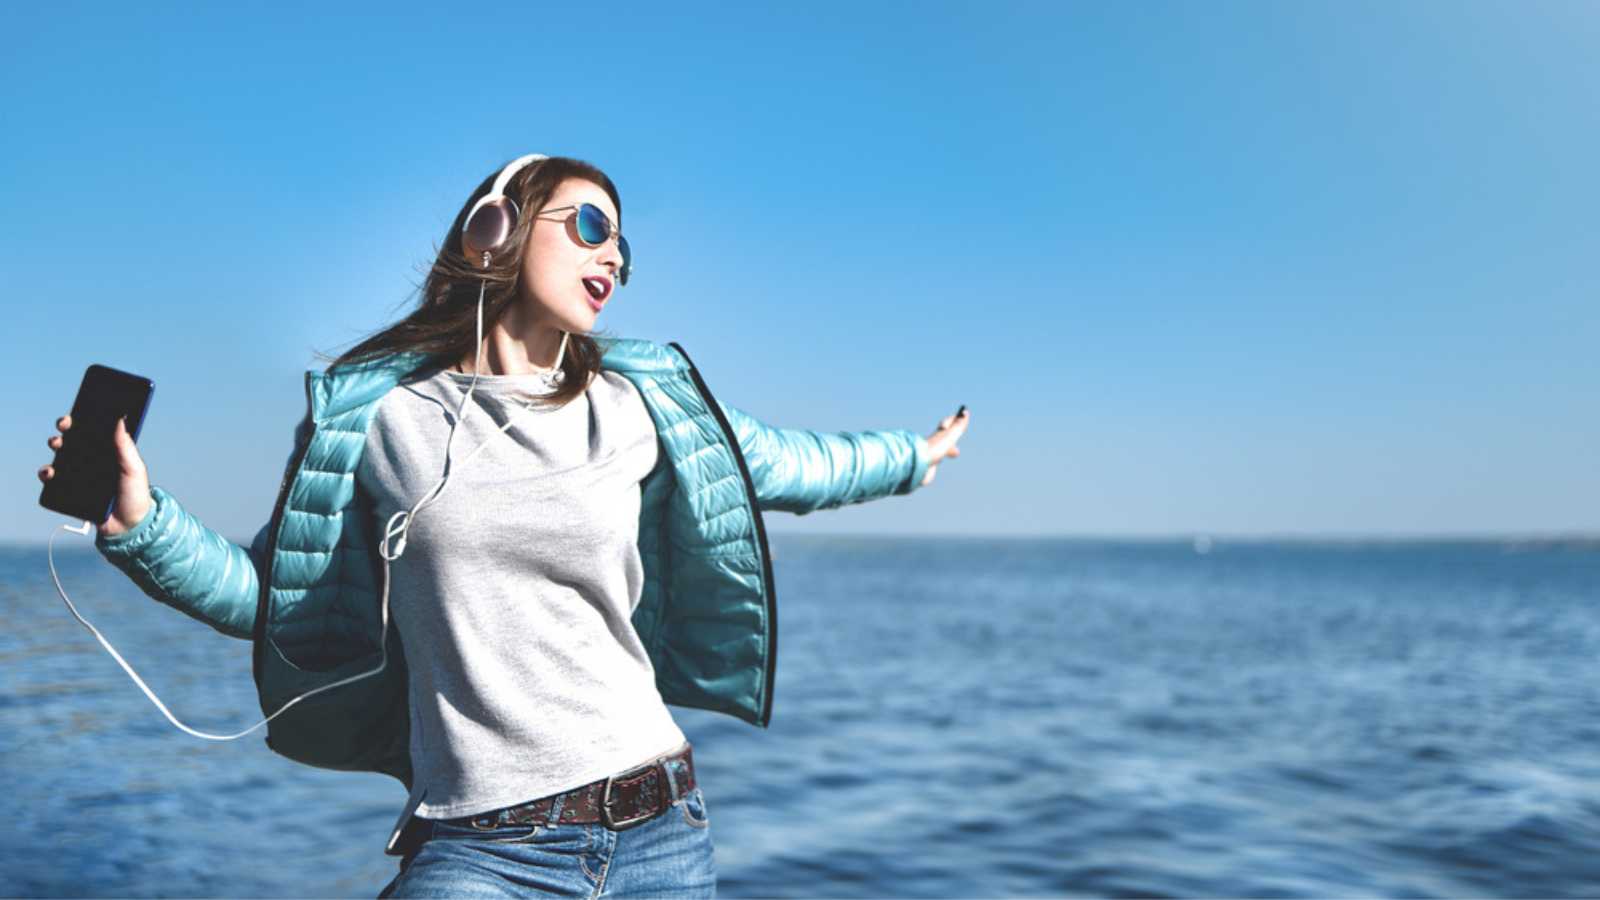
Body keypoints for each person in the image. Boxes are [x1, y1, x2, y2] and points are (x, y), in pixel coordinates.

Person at [36, 154, 971, 898]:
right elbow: (274, 598)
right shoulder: (381, 420)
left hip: (661, 833)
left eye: (624, 249)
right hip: (481, 852)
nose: (612, 258)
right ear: (498, 229)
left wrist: (913, 458)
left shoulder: (643, 406)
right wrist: (142, 523)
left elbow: (793, 464)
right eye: (592, 227)